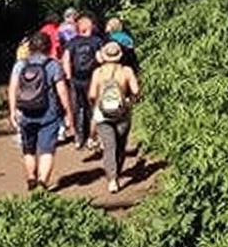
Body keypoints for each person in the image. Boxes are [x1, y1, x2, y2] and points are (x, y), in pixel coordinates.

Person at [9, 30, 72, 191]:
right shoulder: (53, 65)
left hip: (25, 113)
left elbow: (13, 88)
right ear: (48, 47)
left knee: (28, 149)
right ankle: (43, 181)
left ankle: (31, 177)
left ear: (30, 47)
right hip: (48, 114)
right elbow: (62, 91)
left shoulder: (21, 65)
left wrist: (12, 111)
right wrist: (68, 112)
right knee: (47, 150)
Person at [88, 40, 142, 194]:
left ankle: (112, 180)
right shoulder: (126, 71)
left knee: (109, 147)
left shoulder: (98, 72)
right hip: (122, 113)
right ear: (120, 56)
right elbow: (136, 91)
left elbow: (92, 94)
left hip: (103, 114)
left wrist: (96, 103)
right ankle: (117, 170)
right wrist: (131, 100)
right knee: (120, 145)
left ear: (104, 56)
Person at [62, 12, 104, 151]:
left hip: (75, 79)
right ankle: (92, 137)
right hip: (92, 79)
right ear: (88, 26)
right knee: (92, 107)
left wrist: (68, 76)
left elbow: (66, 59)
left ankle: (79, 138)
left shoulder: (72, 42)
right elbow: (100, 59)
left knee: (77, 107)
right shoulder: (97, 41)